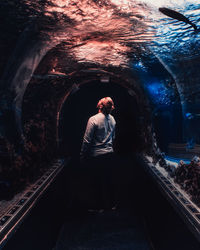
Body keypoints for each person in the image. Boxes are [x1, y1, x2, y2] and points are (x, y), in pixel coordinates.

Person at [80, 97, 116, 209]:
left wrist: (82, 155)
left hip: (96, 156)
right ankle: (110, 205)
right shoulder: (113, 119)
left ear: (99, 106)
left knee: (95, 182)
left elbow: (87, 140)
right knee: (108, 181)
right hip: (109, 154)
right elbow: (113, 137)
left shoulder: (93, 119)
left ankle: (96, 206)